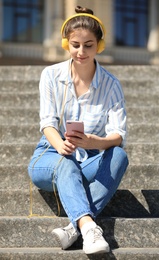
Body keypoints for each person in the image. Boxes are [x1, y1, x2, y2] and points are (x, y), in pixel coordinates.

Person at [28, 5, 129, 255]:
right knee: (66, 162)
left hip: (90, 157)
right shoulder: (51, 75)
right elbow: (47, 123)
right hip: (51, 154)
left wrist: (97, 142)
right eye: (75, 44)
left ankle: (74, 227)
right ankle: (88, 226)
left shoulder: (111, 85)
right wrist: (60, 144)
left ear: (99, 46)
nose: (81, 51)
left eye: (88, 45)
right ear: (66, 44)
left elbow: (118, 136)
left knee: (119, 156)